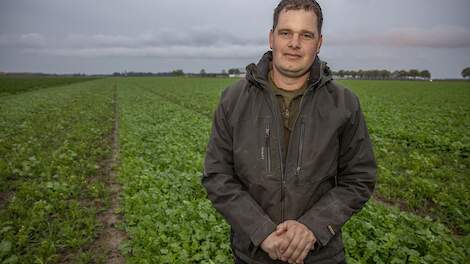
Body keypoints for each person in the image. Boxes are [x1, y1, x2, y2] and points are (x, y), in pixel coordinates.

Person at [202, 0, 376, 263]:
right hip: (252, 255)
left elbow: (359, 178)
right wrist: (261, 232)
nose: (294, 43)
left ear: (319, 43)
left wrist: (313, 227)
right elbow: (217, 175)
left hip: (321, 256)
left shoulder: (344, 104)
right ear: (272, 38)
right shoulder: (233, 99)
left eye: (306, 35)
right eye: (286, 33)